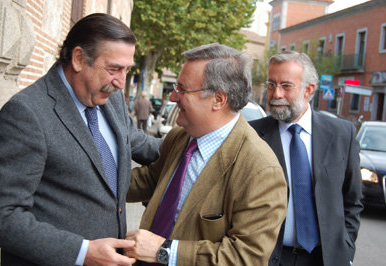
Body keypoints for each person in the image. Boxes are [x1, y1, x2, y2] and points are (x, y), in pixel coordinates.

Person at [0, 13, 162, 266]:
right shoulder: (27, 114)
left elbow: (139, 143)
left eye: (126, 70)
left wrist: (200, 141)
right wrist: (82, 252)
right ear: (79, 58)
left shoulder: (111, 99)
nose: (121, 82)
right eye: (114, 68)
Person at [125, 43, 288, 265]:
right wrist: (81, 177)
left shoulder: (260, 170)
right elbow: (151, 179)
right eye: (175, 87)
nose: (173, 97)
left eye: (182, 89)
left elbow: (245, 257)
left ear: (219, 100)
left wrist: (164, 251)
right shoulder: (179, 137)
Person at [249, 50, 363, 266]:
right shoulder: (251, 135)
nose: (276, 94)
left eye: (286, 86)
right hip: (266, 258)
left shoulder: (341, 134)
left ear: (308, 89)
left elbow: (352, 201)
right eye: (271, 84)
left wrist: (345, 250)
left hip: (324, 259)